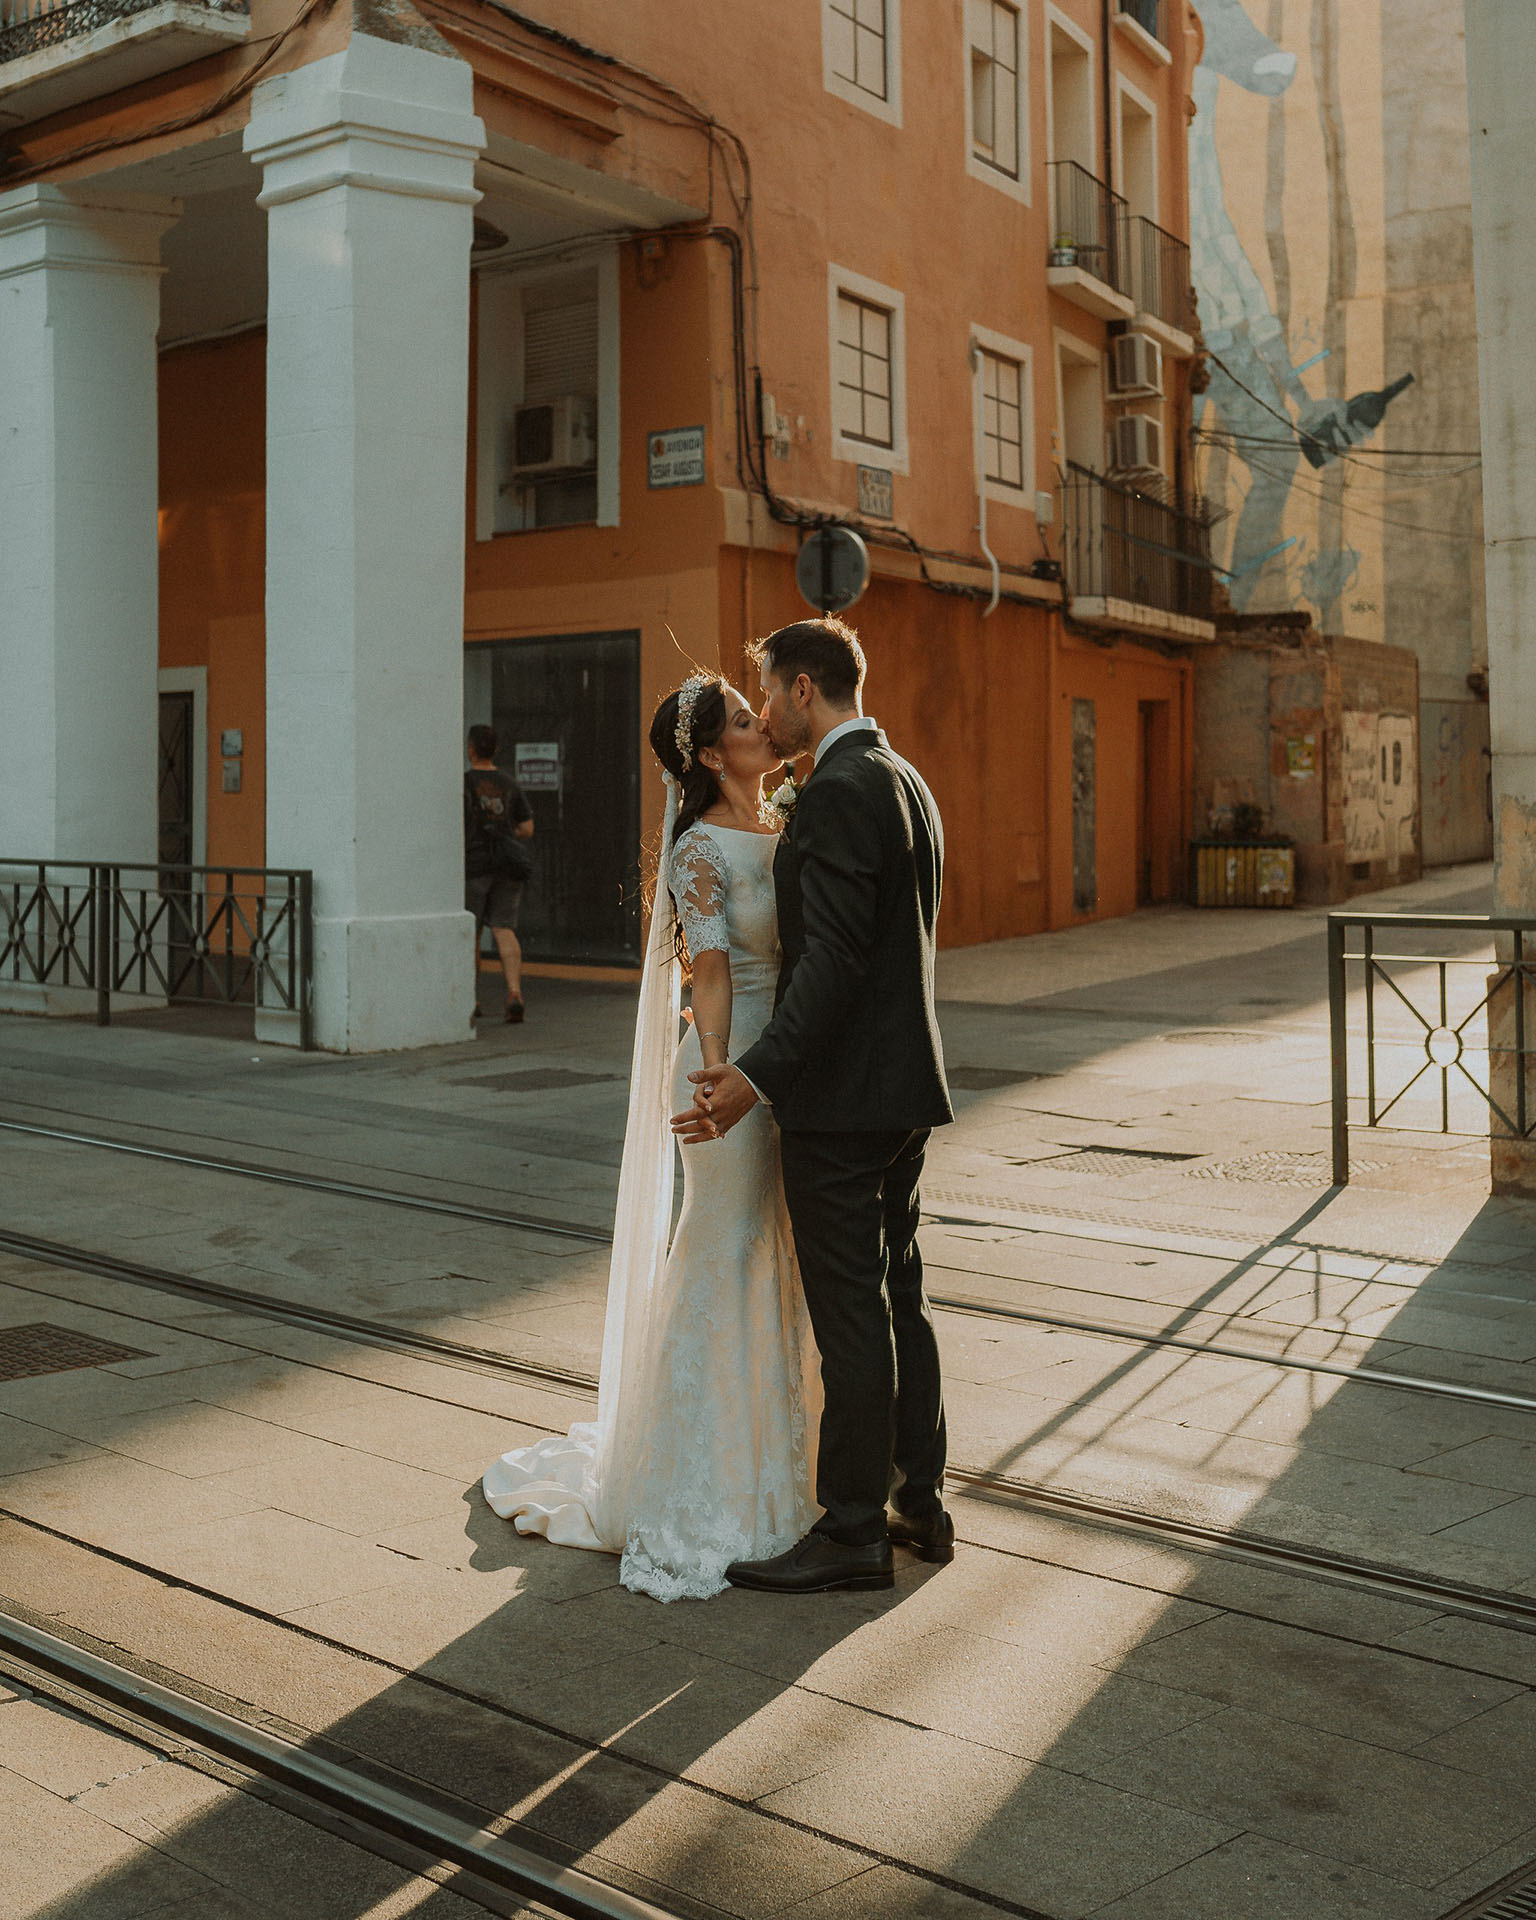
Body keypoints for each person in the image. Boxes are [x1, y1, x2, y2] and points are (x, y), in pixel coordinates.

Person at [481, 673, 820, 1601]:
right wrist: (716, 1073)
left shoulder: (785, 822)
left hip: (787, 1064)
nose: (763, 726)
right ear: (710, 756)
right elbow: (707, 971)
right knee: (724, 1242)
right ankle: (701, 1484)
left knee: (778, 1250)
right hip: (728, 1067)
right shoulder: (702, 849)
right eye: (746, 722)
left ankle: (785, 1459)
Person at [672, 617, 954, 1595]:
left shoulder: (833, 792)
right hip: (906, 1088)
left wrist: (758, 1075)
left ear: (801, 690)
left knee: (851, 1315)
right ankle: (920, 1500)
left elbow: (831, 962)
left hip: (838, 1100)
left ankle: (849, 1531)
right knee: (900, 1296)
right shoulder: (904, 779)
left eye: (766, 689)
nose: (766, 711)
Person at [464, 725, 534, 1025]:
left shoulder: (465, 783)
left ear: (470, 749)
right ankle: (515, 993)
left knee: (472, 932)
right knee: (504, 928)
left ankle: (470, 999)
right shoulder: (508, 783)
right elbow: (527, 828)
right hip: (507, 865)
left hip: (476, 865)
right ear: (495, 749)